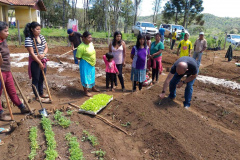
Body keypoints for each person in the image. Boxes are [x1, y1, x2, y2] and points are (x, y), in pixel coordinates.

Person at [0, 21, 29, 121]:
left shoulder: (3, 41)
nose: (8, 33)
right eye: (5, 31)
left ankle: (21, 107)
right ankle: (0, 113)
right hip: (0, 72)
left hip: (7, 71)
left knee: (12, 91)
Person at [24, 21, 49, 102]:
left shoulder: (41, 37)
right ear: (32, 29)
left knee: (42, 77)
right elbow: (31, 53)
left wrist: (43, 54)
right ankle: (37, 96)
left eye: (39, 29)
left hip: (43, 59)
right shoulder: (28, 39)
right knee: (36, 78)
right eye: (37, 29)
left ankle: (41, 93)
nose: (39, 31)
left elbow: (46, 47)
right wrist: (39, 62)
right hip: (35, 61)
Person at [76, 31, 99, 97]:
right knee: (85, 77)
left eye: (91, 37)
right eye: (89, 38)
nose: (90, 39)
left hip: (92, 63)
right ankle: (86, 91)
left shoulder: (91, 44)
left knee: (92, 75)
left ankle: (93, 88)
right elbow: (78, 57)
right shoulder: (81, 47)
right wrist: (86, 59)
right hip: (85, 64)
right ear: (84, 38)